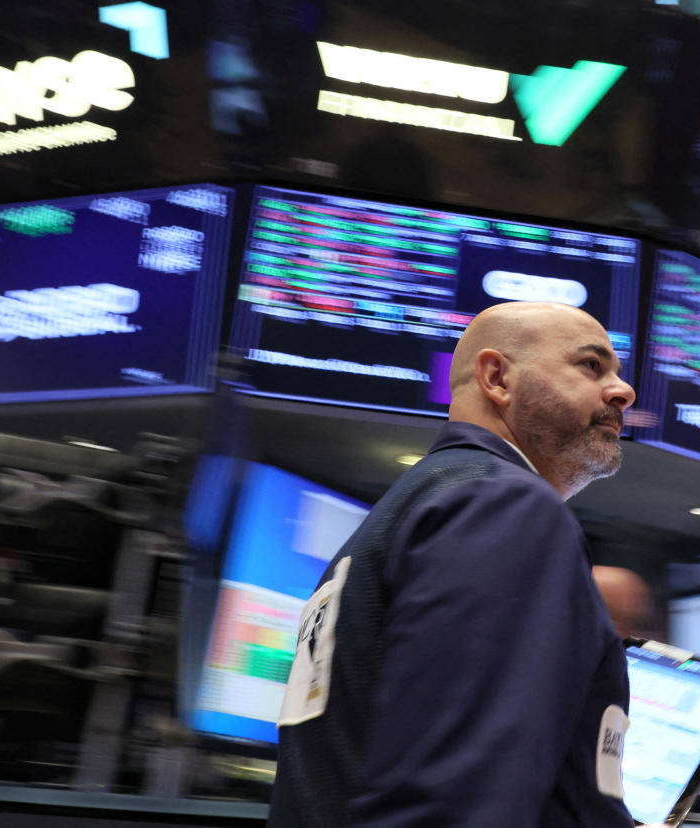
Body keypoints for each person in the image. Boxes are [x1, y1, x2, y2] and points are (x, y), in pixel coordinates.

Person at [268, 301, 638, 827]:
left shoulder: (419, 507)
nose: (623, 391)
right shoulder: (505, 507)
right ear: (497, 377)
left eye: (617, 373)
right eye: (591, 366)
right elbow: (449, 803)